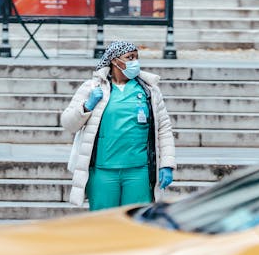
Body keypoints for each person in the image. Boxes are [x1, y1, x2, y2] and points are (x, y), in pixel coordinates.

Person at [61, 40, 176, 211]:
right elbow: (68, 123)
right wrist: (87, 106)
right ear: (115, 61)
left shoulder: (149, 90)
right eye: (129, 58)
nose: (135, 62)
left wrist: (167, 164)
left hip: (138, 171)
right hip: (103, 171)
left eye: (136, 58)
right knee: (104, 223)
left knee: (135, 221)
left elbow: (164, 128)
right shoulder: (92, 88)